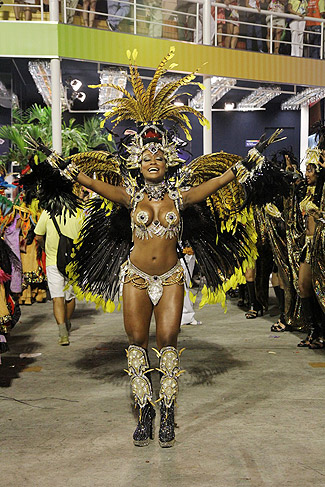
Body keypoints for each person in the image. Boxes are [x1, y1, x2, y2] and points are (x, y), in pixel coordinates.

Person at [24, 48, 287, 448]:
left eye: (157, 155)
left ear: (167, 160)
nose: (151, 160)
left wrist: (247, 162)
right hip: (134, 277)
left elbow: (217, 184)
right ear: (137, 161)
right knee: (136, 346)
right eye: (145, 156)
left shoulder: (180, 198)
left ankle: (168, 415)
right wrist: (57, 161)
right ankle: (144, 411)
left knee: (168, 345)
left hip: (171, 278)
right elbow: (93, 184)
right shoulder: (130, 196)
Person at [34, 210, 83, 346]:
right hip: (72, 261)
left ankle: (63, 334)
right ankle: (66, 323)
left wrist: (46, 248)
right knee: (70, 297)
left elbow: (38, 236)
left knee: (57, 297)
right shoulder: (77, 211)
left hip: (53, 261)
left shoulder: (47, 212)